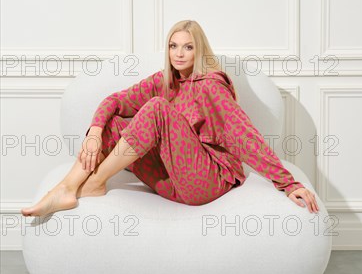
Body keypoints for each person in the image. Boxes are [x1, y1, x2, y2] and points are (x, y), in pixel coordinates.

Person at [21, 20, 319, 217]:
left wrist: (289, 184)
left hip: (207, 182)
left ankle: (95, 182)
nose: (179, 53)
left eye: (188, 47)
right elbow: (114, 100)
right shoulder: (166, 80)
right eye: (173, 46)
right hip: (173, 181)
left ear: (199, 50)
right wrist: (96, 131)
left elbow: (245, 136)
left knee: (157, 109)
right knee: (114, 121)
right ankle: (66, 188)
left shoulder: (210, 85)